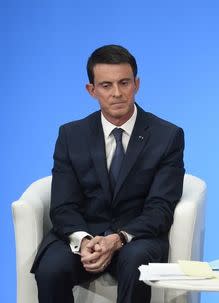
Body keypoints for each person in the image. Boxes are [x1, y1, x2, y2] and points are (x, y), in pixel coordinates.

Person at [30, 45, 185, 303]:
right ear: (91, 90)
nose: (117, 93)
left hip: (136, 237)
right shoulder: (71, 135)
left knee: (136, 262)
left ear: (137, 84)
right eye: (106, 85)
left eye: (124, 83)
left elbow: (160, 208)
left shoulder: (167, 136)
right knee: (50, 268)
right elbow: (63, 206)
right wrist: (85, 240)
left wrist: (119, 238)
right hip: (84, 233)